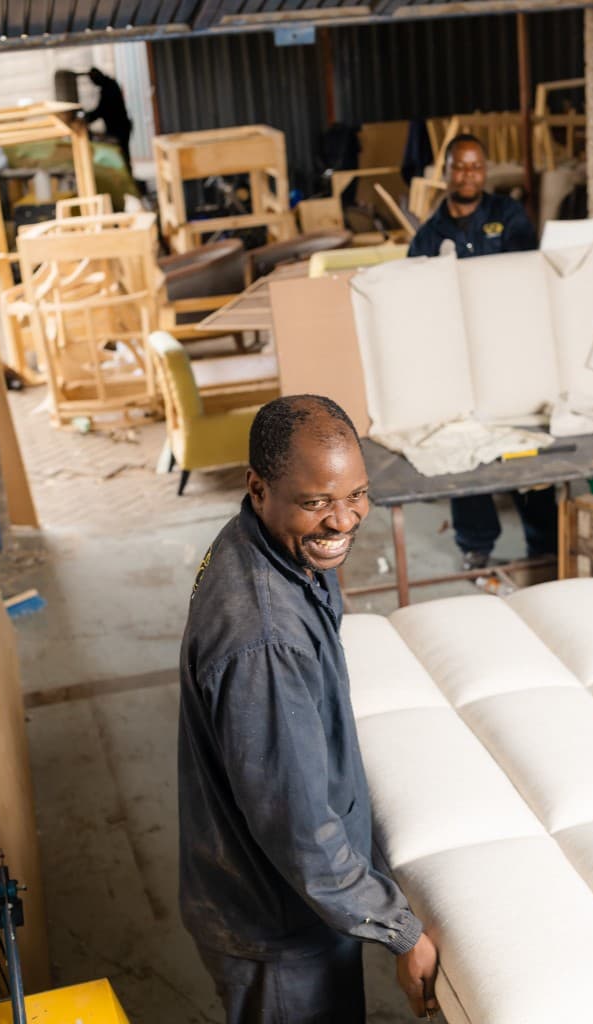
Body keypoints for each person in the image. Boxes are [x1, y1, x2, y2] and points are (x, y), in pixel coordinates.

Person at [178, 394, 439, 1024]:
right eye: (317, 502)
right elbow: (299, 833)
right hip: (277, 925)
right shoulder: (264, 641)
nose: (343, 521)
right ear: (259, 487)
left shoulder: (270, 543)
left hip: (284, 901)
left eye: (356, 495)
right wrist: (403, 933)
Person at [409, 133, 557, 570]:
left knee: (523, 444)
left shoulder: (508, 216)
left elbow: (528, 275)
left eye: (476, 166)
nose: (468, 174)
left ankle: (543, 542)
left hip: (511, 352)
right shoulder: (428, 235)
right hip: (457, 359)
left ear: (484, 171)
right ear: (447, 172)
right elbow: (415, 296)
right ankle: (476, 546)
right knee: (465, 449)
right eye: (460, 166)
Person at [84, 68, 133, 175]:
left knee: (122, 155)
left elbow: (103, 109)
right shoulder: (109, 85)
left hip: (120, 127)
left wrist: (87, 118)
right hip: (118, 126)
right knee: (122, 154)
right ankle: (127, 177)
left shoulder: (109, 87)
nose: (93, 83)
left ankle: (127, 180)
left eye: (93, 80)